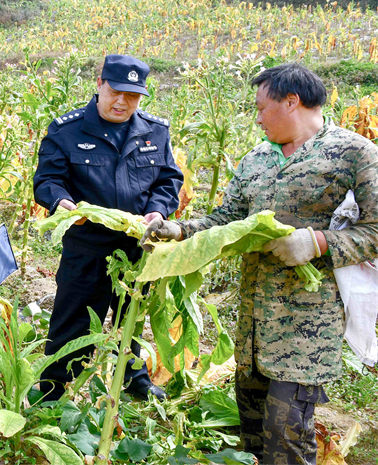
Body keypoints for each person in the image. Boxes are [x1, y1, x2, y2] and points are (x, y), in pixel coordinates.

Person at [142, 63, 378, 465]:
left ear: (292, 102)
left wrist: (317, 241)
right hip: (252, 325)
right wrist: (177, 230)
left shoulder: (355, 152)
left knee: (286, 440)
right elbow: (225, 220)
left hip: (305, 328)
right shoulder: (256, 160)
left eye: (262, 107)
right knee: (251, 436)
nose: (256, 117)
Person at [33, 54, 183, 402]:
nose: (122, 102)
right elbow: (47, 180)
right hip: (87, 246)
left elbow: (168, 180)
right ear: (99, 84)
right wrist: (62, 204)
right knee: (72, 322)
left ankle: (133, 382)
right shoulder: (66, 130)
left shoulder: (155, 131)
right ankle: (53, 390)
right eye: (116, 92)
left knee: (131, 318)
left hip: (138, 245)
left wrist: (158, 211)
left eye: (132, 96)